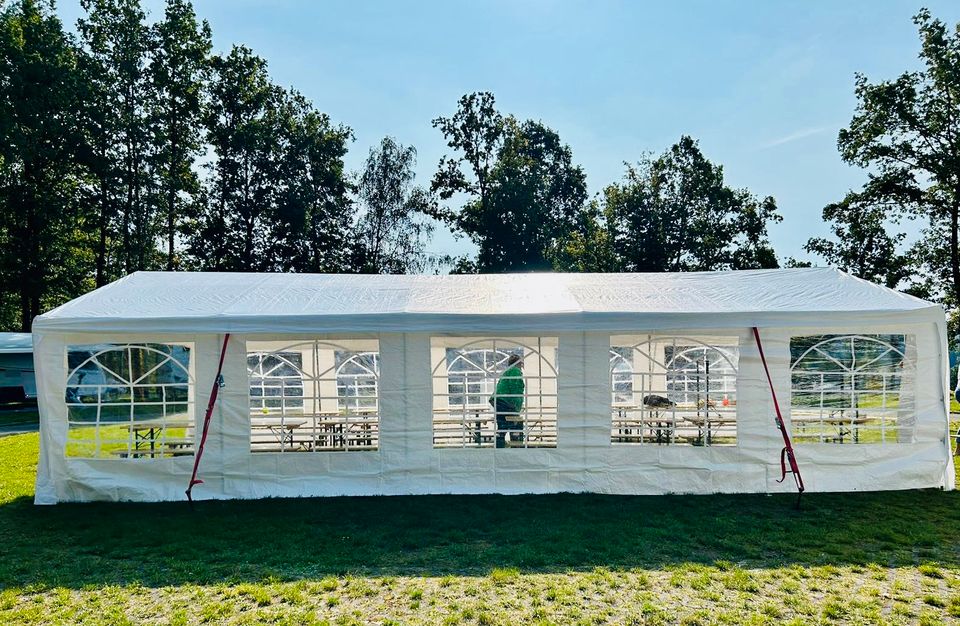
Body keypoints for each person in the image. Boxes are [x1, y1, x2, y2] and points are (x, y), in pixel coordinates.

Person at [490, 354, 525, 448]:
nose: (522, 366)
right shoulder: (515, 371)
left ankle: (499, 449)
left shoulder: (506, 371)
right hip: (505, 401)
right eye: (521, 363)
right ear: (519, 363)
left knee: (502, 427)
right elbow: (516, 390)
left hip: (498, 400)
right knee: (516, 425)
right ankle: (516, 449)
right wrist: (517, 408)